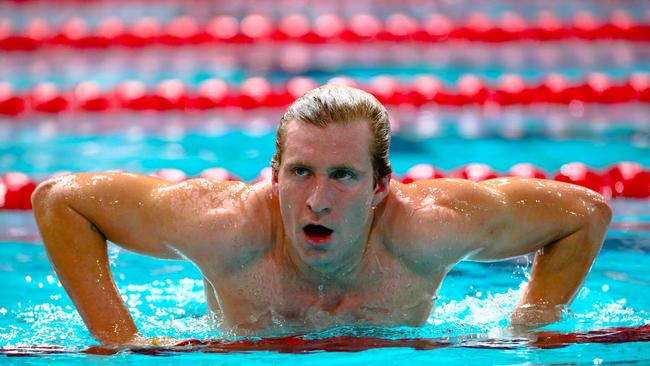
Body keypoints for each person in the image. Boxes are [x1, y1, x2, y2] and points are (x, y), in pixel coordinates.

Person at [31, 85, 612, 346]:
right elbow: (59, 200)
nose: (317, 201)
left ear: (382, 185)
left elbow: (585, 213)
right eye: (301, 172)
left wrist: (528, 330)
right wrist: (119, 341)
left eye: (343, 176)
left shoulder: (434, 225)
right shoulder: (221, 225)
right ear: (274, 173)